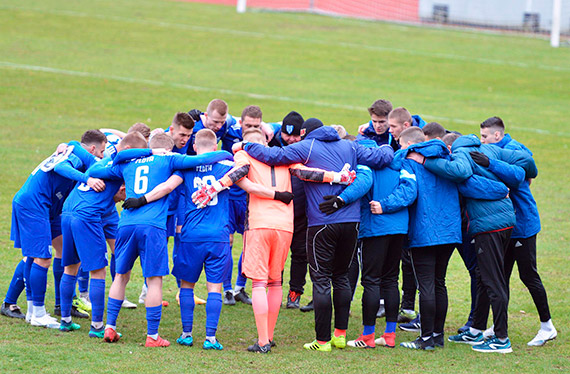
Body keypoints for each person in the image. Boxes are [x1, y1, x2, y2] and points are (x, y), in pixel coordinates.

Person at [235, 118, 394, 352]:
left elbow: (273, 156)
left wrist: (245, 146)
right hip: (351, 222)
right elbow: (382, 157)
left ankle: (322, 342)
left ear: (305, 133)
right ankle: (340, 335)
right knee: (341, 277)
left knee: (321, 281)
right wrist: (389, 144)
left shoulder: (307, 146)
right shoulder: (349, 145)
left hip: (321, 222)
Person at [193, 127, 357, 353]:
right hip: (284, 225)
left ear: (246, 143)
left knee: (259, 283)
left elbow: (239, 173)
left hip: (259, 224)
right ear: (266, 142)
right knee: (276, 282)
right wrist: (337, 177)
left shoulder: (244, 153)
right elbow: (307, 173)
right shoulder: (285, 157)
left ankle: (262, 341)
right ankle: (269, 336)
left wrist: (216, 187)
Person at [89, 132, 233, 347]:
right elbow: (202, 159)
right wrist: (229, 152)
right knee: (154, 279)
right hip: (153, 226)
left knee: (120, 276)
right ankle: (153, 336)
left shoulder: (128, 162)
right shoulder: (170, 159)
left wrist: (140, 152)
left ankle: (109, 326)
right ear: (169, 148)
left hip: (126, 223)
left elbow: (94, 170)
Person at [417, 132, 537, 353]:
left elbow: (462, 175)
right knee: (484, 277)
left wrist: (425, 161)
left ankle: (501, 339)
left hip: (489, 225)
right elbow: (527, 162)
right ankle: (476, 329)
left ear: (450, 149)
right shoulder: (488, 148)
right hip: (505, 220)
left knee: (493, 281)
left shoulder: (461, 155)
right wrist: (505, 172)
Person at [9, 131, 106, 328]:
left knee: (63, 249)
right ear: (93, 149)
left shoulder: (73, 149)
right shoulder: (78, 157)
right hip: (34, 204)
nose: (102, 157)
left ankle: (51, 307)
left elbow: (69, 146)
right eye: (102, 152)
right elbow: (61, 166)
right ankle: (37, 312)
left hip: (49, 207)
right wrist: (87, 179)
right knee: (41, 257)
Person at [57, 132, 147, 335]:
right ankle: (97, 325)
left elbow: (73, 143)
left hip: (68, 210)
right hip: (87, 216)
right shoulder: (122, 166)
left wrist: (66, 143)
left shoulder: (101, 161)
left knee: (71, 268)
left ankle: (65, 320)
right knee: (98, 271)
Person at [480, 117, 557, 346]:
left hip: (522, 225)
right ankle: (498, 325)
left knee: (528, 275)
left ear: (497, 135)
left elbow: (520, 175)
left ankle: (547, 326)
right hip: (505, 225)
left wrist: (489, 163)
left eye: (484, 136)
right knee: (501, 276)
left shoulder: (514, 150)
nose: (481, 141)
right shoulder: (494, 150)